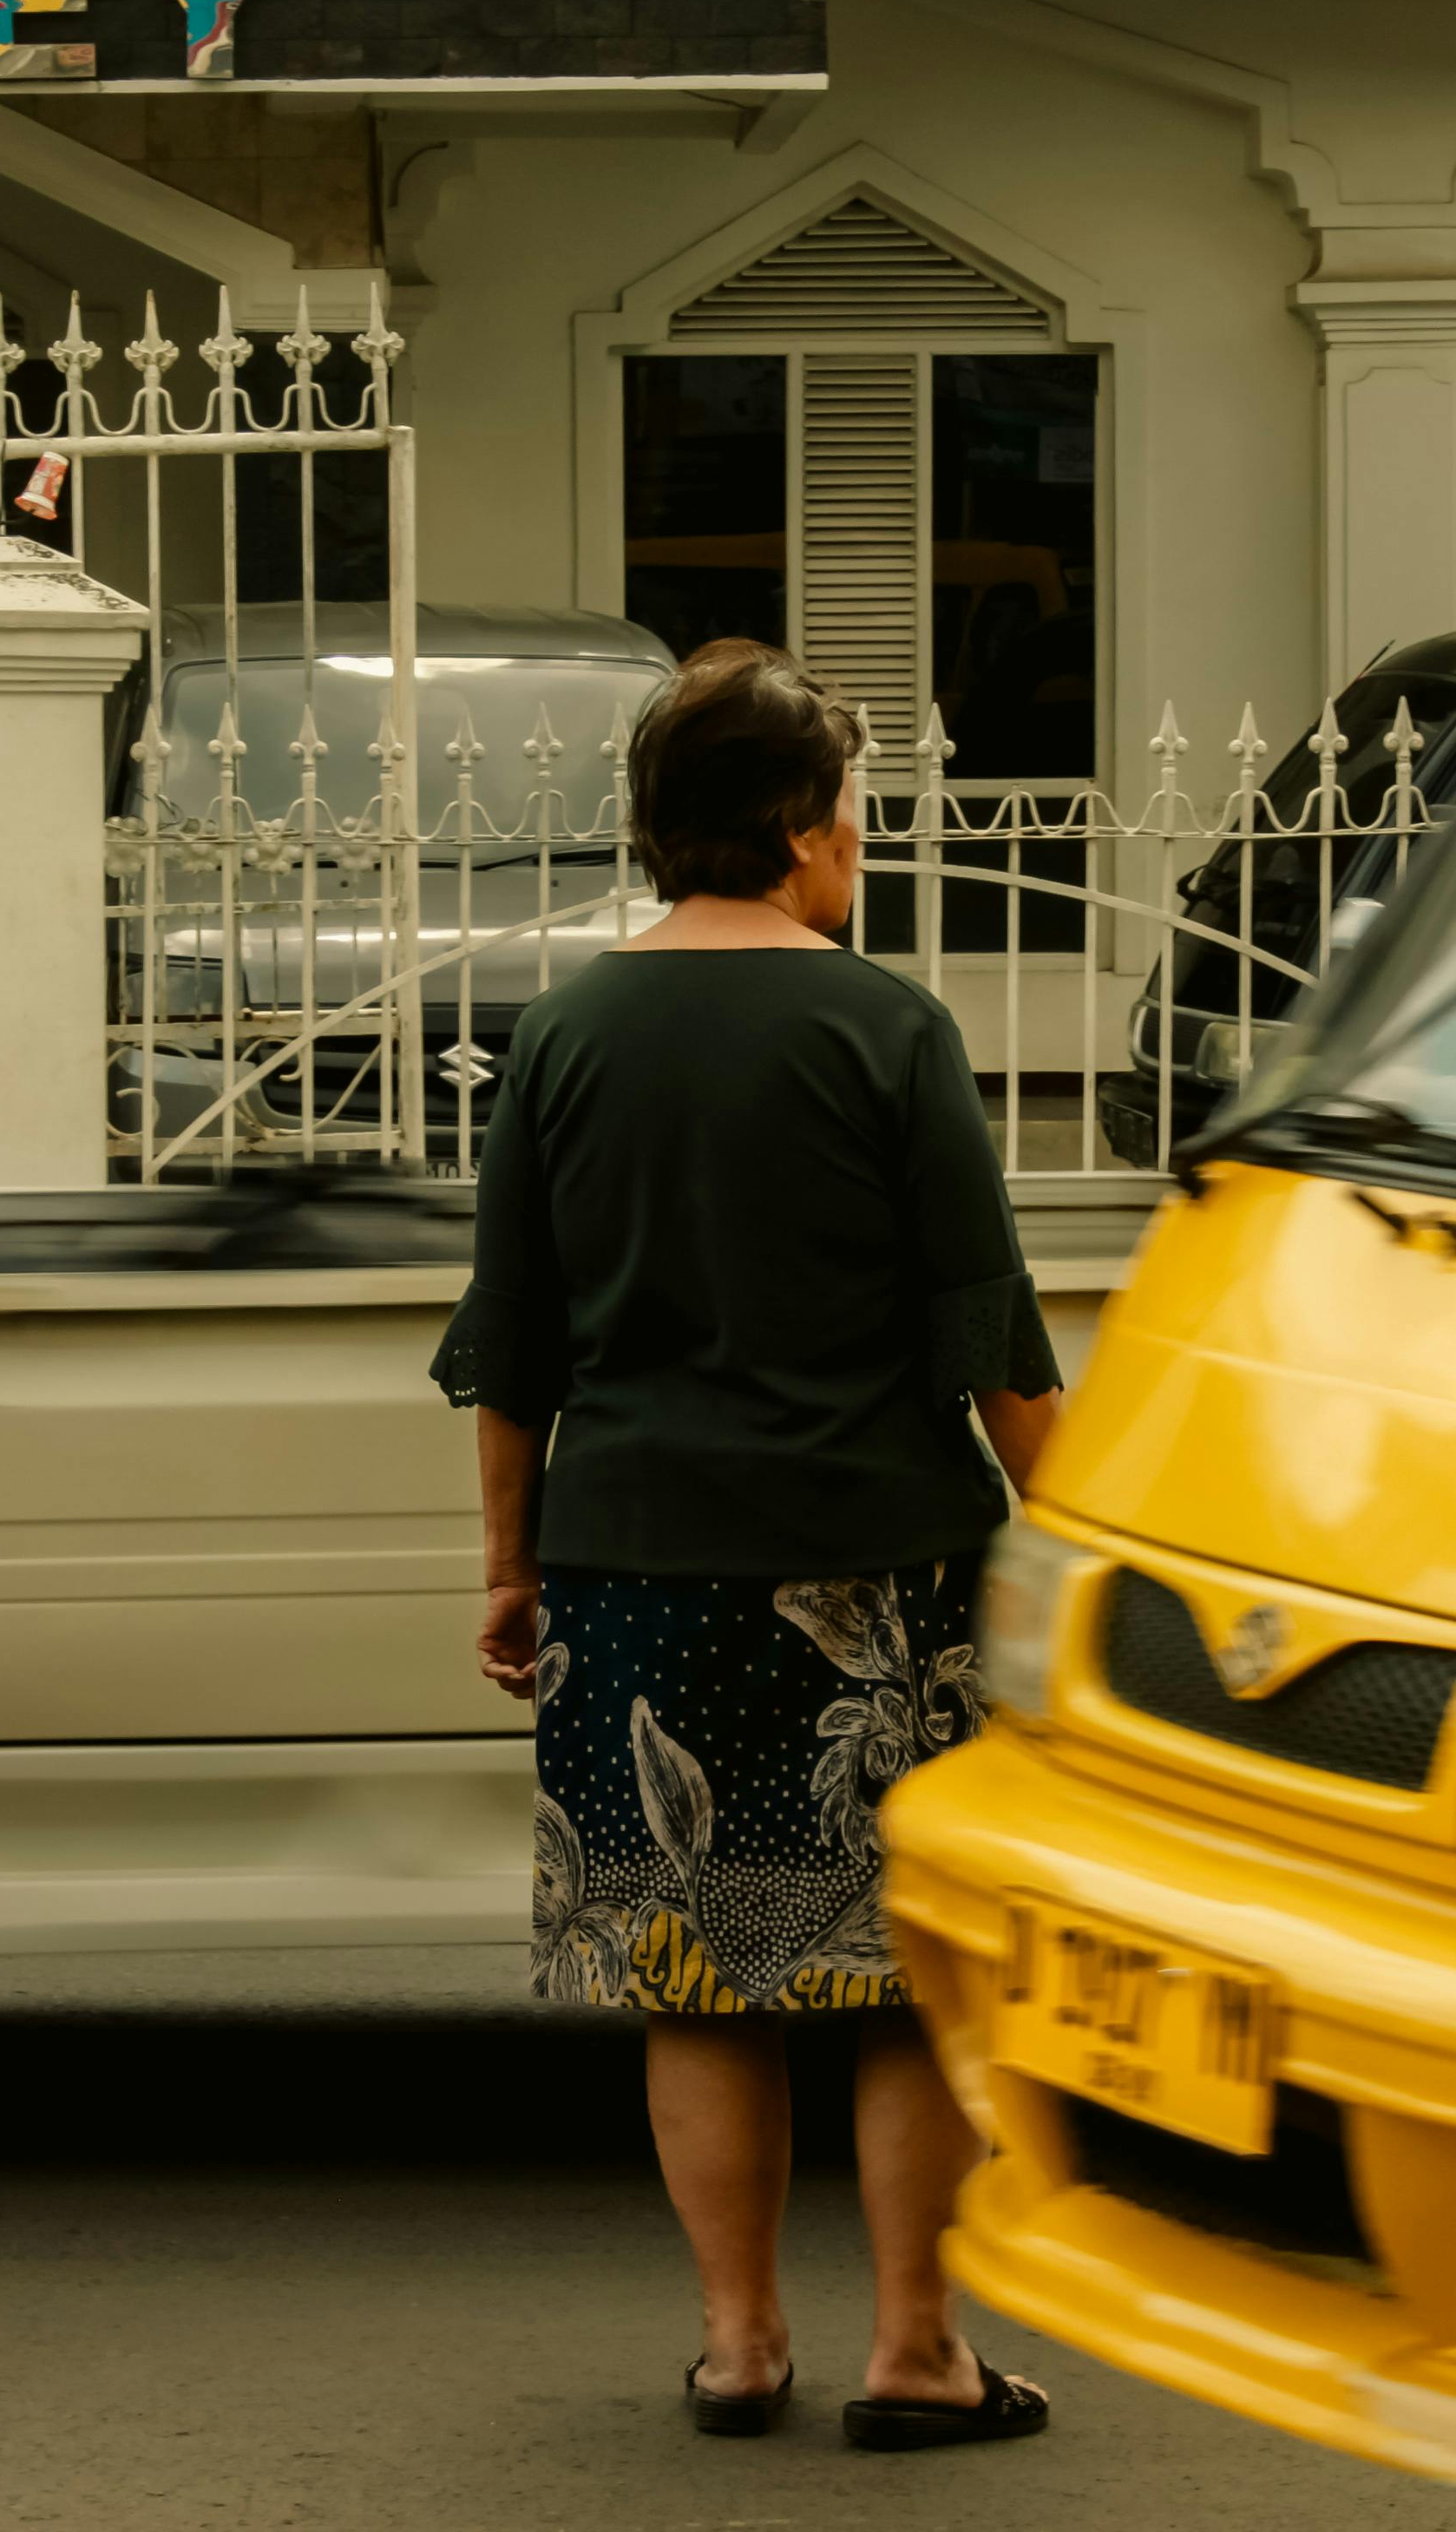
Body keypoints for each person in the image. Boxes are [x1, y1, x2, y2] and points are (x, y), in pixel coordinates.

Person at [434, 637, 1066, 2453]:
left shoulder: (563, 1032)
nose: (856, 846)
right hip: (884, 1583)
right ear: (796, 829)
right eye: (851, 815)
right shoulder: (887, 1027)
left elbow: (514, 1346)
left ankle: (738, 2343)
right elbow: (991, 1342)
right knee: (905, 1984)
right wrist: (1103, 1542)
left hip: (631, 1571)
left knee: (703, 1975)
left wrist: (510, 1563)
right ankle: (919, 2351)